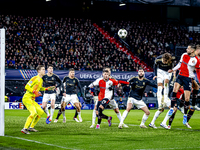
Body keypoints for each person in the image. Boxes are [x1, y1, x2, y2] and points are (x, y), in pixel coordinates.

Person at [160, 44, 200, 129]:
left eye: (188, 49)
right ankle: (171, 109)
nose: (186, 49)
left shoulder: (196, 60)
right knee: (175, 90)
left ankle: (185, 115)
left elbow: (197, 71)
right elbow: (179, 64)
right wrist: (173, 69)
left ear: (192, 50)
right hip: (180, 76)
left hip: (188, 78)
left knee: (187, 99)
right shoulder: (184, 55)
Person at [21, 65, 55, 134]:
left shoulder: (41, 80)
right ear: (39, 71)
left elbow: (40, 88)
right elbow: (27, 86)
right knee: (33, 113)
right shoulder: (35, 78)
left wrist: (47, 88)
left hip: (32, 99)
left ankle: (31, 127)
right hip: (27, 98)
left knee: (41, 112)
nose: (44, 71)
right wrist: (34, 91)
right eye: (43, 69)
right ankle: (25, 128)